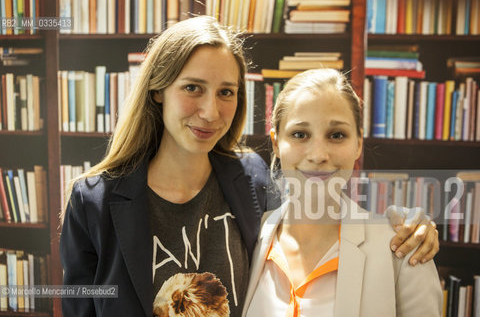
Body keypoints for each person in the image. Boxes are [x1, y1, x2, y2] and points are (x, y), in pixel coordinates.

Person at [60, 17, 439, 317]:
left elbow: (317, 209)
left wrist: (410, 222)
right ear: (158, 89)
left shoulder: (252, 177)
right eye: (193, 87)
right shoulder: (93, 201)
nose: (210, 112)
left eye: (226, 91)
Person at [242, 68, 443, 317]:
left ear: (358, 144)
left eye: (336, 135)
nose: (318, 155)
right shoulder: (247, 238)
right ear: (276, 144)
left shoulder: (404, 247)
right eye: (300, 134)